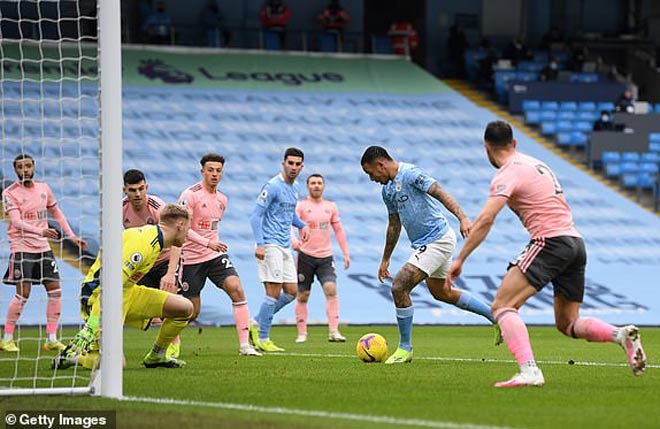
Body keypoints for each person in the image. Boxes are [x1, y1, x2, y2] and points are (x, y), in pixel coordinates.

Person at [445, 121, 646, 387]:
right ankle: (620, 334)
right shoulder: (537, 164)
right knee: (568, 323)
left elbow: (485, 219)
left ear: (487, 149)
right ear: (514, 143)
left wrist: (460, 259)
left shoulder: (507, 173)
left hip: (550, 242)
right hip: (575, 243)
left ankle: (529, 371)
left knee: (502, 306)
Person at [360, 146, 499, 364]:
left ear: (381, 165)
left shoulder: (411, 174)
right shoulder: (387, 191)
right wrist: (386, 258)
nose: (371, 179)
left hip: (438, 239)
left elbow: (440, 192)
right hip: (427, 243)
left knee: (399, 287)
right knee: (442, 293)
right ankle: (495, 316)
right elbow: (394, 224)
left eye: (371, 173)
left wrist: (462, 217)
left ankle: (405, 349)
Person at [54, 204, 194, 369]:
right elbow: (108, 285)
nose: (188, 235)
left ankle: (157, 355)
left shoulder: (155, 241)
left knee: (184, 308)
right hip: (100, 299)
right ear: (180, 225)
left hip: (127, 292)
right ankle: (74, 357)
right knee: (116, 365)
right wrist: (92, 324)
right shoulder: (143, 244)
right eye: (189, 228)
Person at [1, 154, 87, 352]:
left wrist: (72, 236)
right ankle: (6, 338)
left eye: (28, 166)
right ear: (15, 170)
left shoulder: (43, 188)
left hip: (43, 248)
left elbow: (57, 213)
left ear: (34, 167)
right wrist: (41, 230)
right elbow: (15, 222)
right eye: (21, 167)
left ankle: (51, 338)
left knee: (55, 291)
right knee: (23, 294)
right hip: (22, 247)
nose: (25, 170)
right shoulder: (9, 192)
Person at [177, 154, 261, 357]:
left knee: (236, 289)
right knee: (191, 311)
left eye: (218, 170)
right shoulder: (190, 195)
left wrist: (211, 245)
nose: (214, 174)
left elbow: (211, 228)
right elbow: (182, 229)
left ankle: (244, 346)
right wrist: (208, 243)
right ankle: (169, 340)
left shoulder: (222, 199)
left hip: (213, 256)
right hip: (190, 259)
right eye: (210, 170)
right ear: (202, 172)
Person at [249, 147, 310, 352]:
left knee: (292, 292)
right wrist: (260, 243)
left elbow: (289, 214)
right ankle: (263, 338)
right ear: (283, 164)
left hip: (285, 246)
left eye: (297, 164)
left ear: (302, 167)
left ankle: (256, 322)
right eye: (290, 163)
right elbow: (255, 216)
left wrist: (302, 225)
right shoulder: (273, 186)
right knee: (273, 293)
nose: (293, 167)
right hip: (270, 244)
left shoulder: (295, 188)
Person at [122, 169, 183, 357]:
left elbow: (177, 240)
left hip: (164, 260)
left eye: (141, 189)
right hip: (142, 263)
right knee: (135, 306)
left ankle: (169, 348)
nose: (138, 194)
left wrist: (171, 273)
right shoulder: (120, 209)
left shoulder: (157, 207)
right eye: (133, 190)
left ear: (146, 187)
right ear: (125, 190)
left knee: (170, 299)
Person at [291, 174, 350, 343]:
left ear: (323, 186)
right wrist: (294, 241)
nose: (316, 186)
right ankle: (302, 334)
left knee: (331, 290)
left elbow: (338, 230)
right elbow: (290, 224)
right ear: (308, 186)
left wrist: (345, 252)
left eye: (319, 183)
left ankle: (334, 331)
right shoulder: (301, 206)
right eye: (313, 183)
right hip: (305, 256)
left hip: (325, 257)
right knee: (303, 295)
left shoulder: (330, 207)